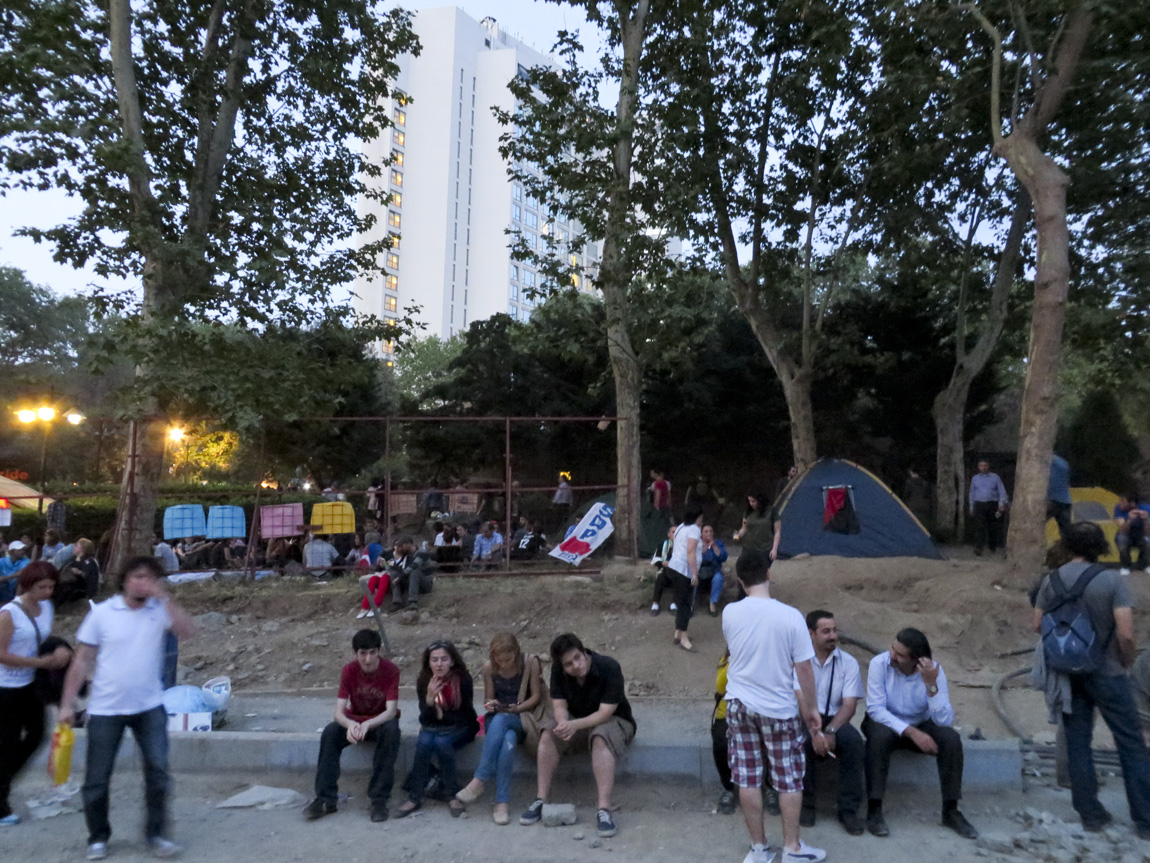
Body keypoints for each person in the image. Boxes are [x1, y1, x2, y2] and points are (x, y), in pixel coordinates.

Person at [58, 556, 196, 860]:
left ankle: (156, 834)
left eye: (149, 577)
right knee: (97, 776)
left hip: (150, 706)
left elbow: (187, 631)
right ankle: (97, 837)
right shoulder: (104, 614)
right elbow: (81, 660)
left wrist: (165, 597)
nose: (142, 582)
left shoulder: (159, 610)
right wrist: (68, 703)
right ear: (125, 580)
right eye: (137, 576)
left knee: (158, 772)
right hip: (106, 708)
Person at [1032, 521, 1150, 835]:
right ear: (1100, 547)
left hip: (1068, 673)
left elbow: (1036, 625)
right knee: (1131, 742)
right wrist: (1125, 660)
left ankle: (1091, 815)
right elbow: (1125, 633)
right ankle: (1145, 818)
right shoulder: (1111, 581)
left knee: (1078, 742)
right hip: (1108, 671)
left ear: (1068, 546)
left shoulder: (1050, 580)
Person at [723, 547, 824, 863]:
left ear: (741, 581)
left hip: (739, 704)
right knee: (788, 778)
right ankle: (792, 848)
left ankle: (758, 848)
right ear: (768, 574)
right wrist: (811, 708)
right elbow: (804, 669)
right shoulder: (791, 617)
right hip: (778, 709)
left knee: (748, 777)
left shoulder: (730, 613)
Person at [862, 627, 977, 840]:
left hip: (921, 722)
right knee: (878, 738)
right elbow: (876, 709)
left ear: (916, 659)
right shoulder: (880, 664)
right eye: (892, 649)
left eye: (899, 654)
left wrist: (930, 684)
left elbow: (944, 720)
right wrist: (912, 733)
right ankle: (874, 809)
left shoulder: (934, 673)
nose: (892, 656)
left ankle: (951, 810)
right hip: (885, 722)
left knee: (951, 740)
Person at [519, 633, 635, 838]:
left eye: (578, 658)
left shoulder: (609, 667)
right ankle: (540, 799)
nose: (576, 666)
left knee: (601, 738)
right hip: (576, 718)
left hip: (614, 720)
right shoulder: (558, 671)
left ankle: (604, 810)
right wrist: (563, 723)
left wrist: (574, 725)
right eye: (569, 664)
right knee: (548, 733)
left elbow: (605, 713)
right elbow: (559, 704)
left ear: (584, 652)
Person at [0, 562, 72, 826]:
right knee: (7, 743)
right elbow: (2, 655)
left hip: (31, 685)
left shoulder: (48, 608)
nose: (47, 591)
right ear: (29, 585)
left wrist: (60, 651)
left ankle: (3, 781)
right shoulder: (9, 614)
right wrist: (41, 663)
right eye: (42, 587)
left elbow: (42, 640)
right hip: (6, 687)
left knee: (36, 735)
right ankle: (1, 800)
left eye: (51, 586)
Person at [303, 629, 400, 823]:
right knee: (331, 732)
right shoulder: (349, 671)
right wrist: (352, 724)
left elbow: (390, 711)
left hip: (379, 721)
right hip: (355, 720)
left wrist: (368, 724)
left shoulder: (391, 670)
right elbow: (338, 712)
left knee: (392, 731)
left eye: (372, 652)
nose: (368, 659)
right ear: (356, 654)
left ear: (378, 651)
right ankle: (325, 798)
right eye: (363, 653)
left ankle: (379, 800)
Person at [455, 633, 544, 824]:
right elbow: (487, 700)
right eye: (499, 660)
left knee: (504, 721)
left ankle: (480, 779)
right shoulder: (489, 668)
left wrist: (517, 708)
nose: (504, 664)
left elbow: (536, 697)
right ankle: (502, 803)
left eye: (508, 659)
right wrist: (491, 705)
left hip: (523, 716)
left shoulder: (529, 663)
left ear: (516, 652)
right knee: (508, 739)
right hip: (497, 719)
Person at [796, 610, 865, 835]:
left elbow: (849, 705)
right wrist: (815, 733)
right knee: (802, 743)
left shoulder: (848, 663)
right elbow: (799, 702)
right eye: (826, 631)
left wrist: (830, 731)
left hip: (836, 719)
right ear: (811, 634)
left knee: (854, 743)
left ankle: (848, 810)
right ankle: (806, 805)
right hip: (805, 717)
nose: (832, 636)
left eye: (834, 630)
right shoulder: (799, 662)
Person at [396, 641, 478, 818]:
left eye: (444, 659)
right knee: (424, 742)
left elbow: (464, 715)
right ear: (429, 662)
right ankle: (414, 797)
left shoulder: (462, 679)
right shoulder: (424, 680)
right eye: (434, 660)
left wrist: (439, 714)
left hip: (462, 726)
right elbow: (424, 717)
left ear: (452, 661)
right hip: (432, 726)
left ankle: (450, 795)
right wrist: (430, 700)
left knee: (442, 742)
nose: (439, 664)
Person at [664, 506, 703, 652]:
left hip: (674, 567)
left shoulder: (681, 527)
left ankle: (677, 632)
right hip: (684, 571)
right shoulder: (694, 529)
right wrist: (694, 573)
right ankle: (684, 638)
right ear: (698, 516)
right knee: (686, 604)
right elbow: (690, 551)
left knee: (680, 601)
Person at [968, 459, 1008, 556]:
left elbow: (1001, 491)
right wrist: (971, 506)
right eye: (981, 465)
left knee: (993, 526)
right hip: (979, 504)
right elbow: (972, 493)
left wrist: (1001, 504)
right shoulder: (975, 478)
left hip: (993, 504)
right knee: (980, 526)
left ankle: (993, 546)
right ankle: (979, 547)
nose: (983, 467)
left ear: (988, 466)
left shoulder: (995, 477)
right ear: (978, 467)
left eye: (985, 465)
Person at [387, 536, 436, 611]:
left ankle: (413, 601)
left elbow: (413, 566)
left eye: (401, 546)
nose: (400, 548)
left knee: (414, 571)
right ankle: (397, 602)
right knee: (394, 573)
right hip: (411, 582)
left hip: (425, 582)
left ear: (407, 545)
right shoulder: (406, 555)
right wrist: (387, 565)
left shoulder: (422, 552)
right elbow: (400, 568)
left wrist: (399, 578)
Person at [733, 493, 781, 562]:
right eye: (749, 501)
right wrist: (738, 535)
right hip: (749, 547)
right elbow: (744, 528)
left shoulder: (772, 512)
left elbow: (777, 532)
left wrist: (774, 549)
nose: (751, 504)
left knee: (761, 570)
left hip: (765, 549)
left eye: (753, 501)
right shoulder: (748, 512)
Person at [55, 538, 101, 605]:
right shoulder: (73, 558)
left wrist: (79, 572)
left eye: (77, 546)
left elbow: (91, 578)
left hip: (80, 588)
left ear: (83, 549)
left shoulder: (89, 561)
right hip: (68, 583)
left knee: (65, 589)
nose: (74, 547)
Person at [1113, 493, 1150, 576]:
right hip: (1126, 534)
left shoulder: (1147, 508)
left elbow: (1148, 531)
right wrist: (1129, 519)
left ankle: (1144, 564)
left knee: (1148, 541)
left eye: (1123, 501)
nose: (1120, 503)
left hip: (1142, 534)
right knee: (1121, 539)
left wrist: (1147, 519)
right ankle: (1126, 566)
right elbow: (1122, 529)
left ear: (1132, 503)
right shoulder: (1118, 509)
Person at [648, 524, 679, 617]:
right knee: (660, 577)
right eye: (673, 532)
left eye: (678, 532)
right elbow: (655, 559)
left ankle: (674, 604)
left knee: (680, 578)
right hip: (664, 571)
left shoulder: (683, 546)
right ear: (668, 534)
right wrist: (662, 563)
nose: (676, 534)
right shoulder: (663, 545)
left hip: (677, 573)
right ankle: (655, 604)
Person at [699, 524, 728, 617]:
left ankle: (712, 603)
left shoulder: (718, 543)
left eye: (711, 531)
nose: (709, 533)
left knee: (718, 578)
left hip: (714, 571)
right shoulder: (697, 544)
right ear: (701, 534)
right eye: (706, 531)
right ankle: (690, 604)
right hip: (700, 571)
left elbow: (723, 557)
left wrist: (714, 547)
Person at [1046, 454, 1073, 541]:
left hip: (1052, 500)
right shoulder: (1064, 464)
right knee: (1066, 531)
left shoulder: (1049, 462)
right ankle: (1068, 549)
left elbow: (1051, 482)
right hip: (1066, 501)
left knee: (1035, 524)